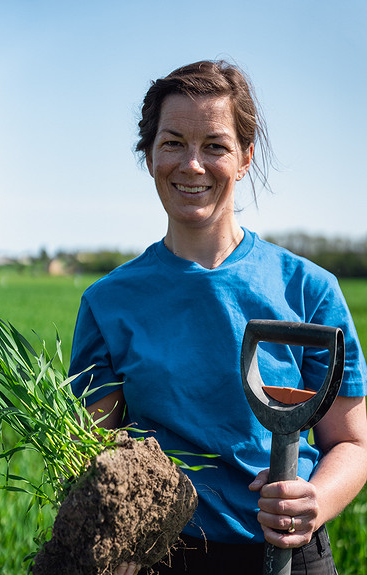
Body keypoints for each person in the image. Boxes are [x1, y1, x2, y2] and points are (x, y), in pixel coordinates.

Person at [69, 60, 367, 575]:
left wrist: (312, 501)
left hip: (290, 553)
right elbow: (92, 453)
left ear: (246, 157)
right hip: (162, 556)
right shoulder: (108, 302)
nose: (192, 164)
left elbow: (352, 442)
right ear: (149, 156)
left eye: (215, 145)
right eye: (172, 142)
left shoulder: (309, 290)